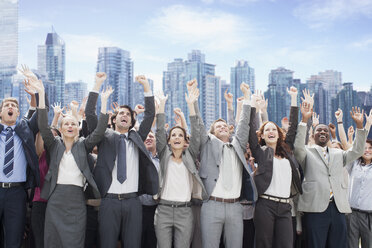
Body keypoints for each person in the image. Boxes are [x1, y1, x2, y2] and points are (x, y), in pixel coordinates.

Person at [35, 77, 111, 247]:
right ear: (60, 129)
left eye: (73, 124)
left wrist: (102, 99)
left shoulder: (84, 145)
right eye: (66, 124)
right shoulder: (54, 145)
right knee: (53, 241)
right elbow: (42, 125)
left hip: (77, 201)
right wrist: (40, 93)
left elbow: (99, 132)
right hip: (55, 199)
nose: (70, 126)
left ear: (78, 128)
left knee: (74, 241)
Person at [85, 73, 158, 248]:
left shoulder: (137, 137)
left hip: (133, 202)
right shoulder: (104, 136)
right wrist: (97, 85)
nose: (124, 115)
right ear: (114, 119)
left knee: (133, 244)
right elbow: (89, 113)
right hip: (108, 201)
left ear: (132, 120)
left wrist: (146, 87)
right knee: (107, 244)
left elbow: (149, 115)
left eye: (127, 114)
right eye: (120, 113)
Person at [192, 79, 257, 248]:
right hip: (211, 205)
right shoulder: (207, 143)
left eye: (225, 126)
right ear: (212, 132)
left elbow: (243, 124)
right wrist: (193, 101)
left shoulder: (238, 144)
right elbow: (198, 125)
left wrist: (247, 97)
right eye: (218, 126)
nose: (222, 127)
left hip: (235, 207)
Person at [294, 104, 368, 248]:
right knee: (316, 244)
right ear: (313, 134)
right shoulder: (306, 153)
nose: (322, 131)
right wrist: (304, 120)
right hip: (315, 208)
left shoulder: (339, 153)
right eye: (319, 130)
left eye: (325, 130)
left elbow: (358, 151)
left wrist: (360, 125)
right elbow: (297, 148)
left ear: (328, 135)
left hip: (338, 208)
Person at [249, 87, 302, 248]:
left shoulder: (287, 150)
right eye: (267, 130)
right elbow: (250, 130)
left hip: (285, 206)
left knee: (286, 244)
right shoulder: (261, 152)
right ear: (263, 136)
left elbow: (293, 127)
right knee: (263, 243)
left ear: (279, 134)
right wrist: (254, 106)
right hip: (265, 205)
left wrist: (294, 98)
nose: (270, 131)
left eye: (273, 129)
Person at [154, 87, 207, 248]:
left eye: (180, 135)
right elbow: (159, 131)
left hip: (185, 212)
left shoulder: (189, 156)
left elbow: (197, 134)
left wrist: (191, 106)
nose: (177, 137)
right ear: (169, 141)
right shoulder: (164, 155)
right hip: (163, 210)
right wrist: (161, 106)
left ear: (185, 141)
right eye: (173, 135)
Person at [0, 66, 41, 248]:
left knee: (13, 239)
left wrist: (35, 93)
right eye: (7, 105)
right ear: (1, 112)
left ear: (18, 113)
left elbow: (39, 113)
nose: (10, 107)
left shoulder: (25, 129)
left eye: (14, 106)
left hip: (17, 194)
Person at [139, 131, 160, 248]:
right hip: (139, 208)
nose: (148, 138)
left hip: (157, 208)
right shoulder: (137, 158)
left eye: (151, 136)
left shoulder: (162, 160)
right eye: (145, 136)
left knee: (153, 241)